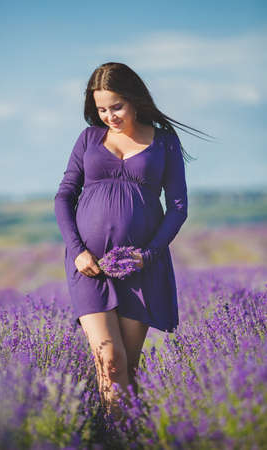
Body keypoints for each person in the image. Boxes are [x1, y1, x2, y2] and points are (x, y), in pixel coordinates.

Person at [54, 62, 213, 422]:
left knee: (128, 364)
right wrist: (77, 251)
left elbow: (177, 208)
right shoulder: (88, 140)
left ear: (135, 100)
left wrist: (149, 255)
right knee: (109, 361)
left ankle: (125, 435)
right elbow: (63, 197)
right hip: (88, 267)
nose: (109, 116)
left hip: (139, 268)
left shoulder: (165, 143)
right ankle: (116, 436)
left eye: (116, 107)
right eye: (101, 109)